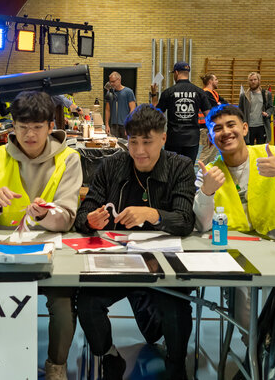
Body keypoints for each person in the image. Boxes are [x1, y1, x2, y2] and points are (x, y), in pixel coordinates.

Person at [0, 91, 82, 380]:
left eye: (37, 127)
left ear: (50, 126)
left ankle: (56, 366)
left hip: (51, 252)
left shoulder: (69, 159)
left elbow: (67, 219)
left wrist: (44, 215)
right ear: (13, 126)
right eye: (22, 126)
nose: (30, 134)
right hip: (0, 253)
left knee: (63, 302)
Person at [75, 104, 196, 380]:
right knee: (88, 303)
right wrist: (90, 220)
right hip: (118, 261)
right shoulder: (112, 165)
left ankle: (176, 366)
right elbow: (84, 213)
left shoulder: (180, 166)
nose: (139, 150)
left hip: (163, 263)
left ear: (163, 138)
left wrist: (153, 214)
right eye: (133, 142)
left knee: (176, 308)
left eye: (147, 142)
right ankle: (109, 356)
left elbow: (185, 220)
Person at [193, 104, 275, 335]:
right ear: (211, 138)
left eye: (231, 125)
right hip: (237, 260)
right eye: (218, 129)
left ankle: (270, 349)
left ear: (245, 128)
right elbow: (201, 226)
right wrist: (207, 192)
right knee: (246, 315)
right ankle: (255, 350)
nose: (226, 132)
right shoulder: (208, 173)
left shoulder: (274, 155)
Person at [150, 61, 210, 163]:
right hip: (192, 139)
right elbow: (209, 115)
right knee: (188, 168)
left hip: (174, 138)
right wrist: (212, 133)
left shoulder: (168, 92)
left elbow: (156, 114)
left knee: (172, 168)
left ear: (176, 72)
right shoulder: (199, 92)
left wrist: (154, 94)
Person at [239, 72, 275, 145]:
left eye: (255, 79)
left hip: (262, 126)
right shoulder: (244, 96)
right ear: (248, 82)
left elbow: (271, 107)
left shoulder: (266, 94)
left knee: (261, 148)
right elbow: (240, 111)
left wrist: (267, 113)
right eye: (251, 80)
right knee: (249, 149)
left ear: (259, 80)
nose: (253, 82)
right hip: (248, 127)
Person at [199, 73, 227, 165]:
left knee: (212, 152)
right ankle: (201, 171)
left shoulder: (214, 93)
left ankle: (207, 170)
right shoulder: (205, 93)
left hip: (213, 126)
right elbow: (215, 107)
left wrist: (219, 104)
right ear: (210, 81)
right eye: (216, 79)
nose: (218, 81)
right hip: (206, 126)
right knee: (207, 152)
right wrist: (219, 105)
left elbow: (225, 103)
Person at [105, 71, 136, 139]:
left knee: (126, 144)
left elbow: (133, 109)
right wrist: (107, 125)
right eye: (110, 82)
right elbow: (107, 109)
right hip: (114, 126)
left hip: (125, 125)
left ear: (119, 80)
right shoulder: (110, 93)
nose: (111, 84)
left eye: (113, 81)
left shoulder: (128, 92)